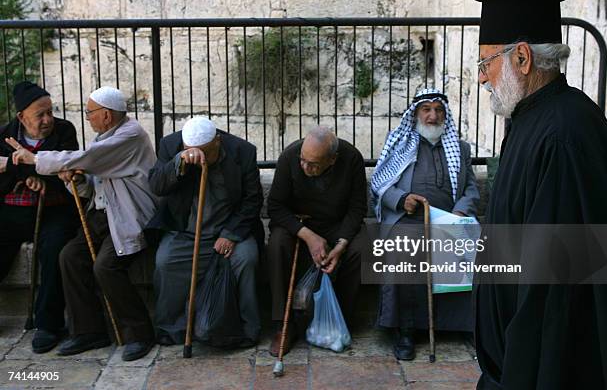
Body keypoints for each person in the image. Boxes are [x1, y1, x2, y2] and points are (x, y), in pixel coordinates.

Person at [473, 0, 607, 389]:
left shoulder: (563, 135)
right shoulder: (531, 119)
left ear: (522, 57)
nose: (482, 76)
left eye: (486, 62)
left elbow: (554, 294)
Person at [10, 86, 160, 361]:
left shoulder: (130, 135)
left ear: (106, 114)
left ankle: (139, 334)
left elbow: (88, 159)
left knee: (106, 266)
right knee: (69, 256)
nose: (87, 118)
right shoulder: (105, 136)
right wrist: (76, 181)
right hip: (103, 214)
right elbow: (92, 185)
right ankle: (88, 331)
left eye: (90, 113)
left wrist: (36, 159)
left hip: (130, 215)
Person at [370, 88, 480, 360]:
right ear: (416, 114)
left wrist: (458, 213)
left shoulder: (460, 148)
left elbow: (470, 189)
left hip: (451, 218)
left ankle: (463, 324)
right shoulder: (400, 144)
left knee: (475, 250)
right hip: (409, 219)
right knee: (406, 250)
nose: (433, 116)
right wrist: (401, 199)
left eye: (438, 110)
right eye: (426, 110)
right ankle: (406, 329)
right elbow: (380, 184)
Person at [147, 116, 263, 347]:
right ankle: (172, 328)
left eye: (206, 153)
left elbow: (252, 200)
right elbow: (156, 186)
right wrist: (178, 162)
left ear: (218, 141)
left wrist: (230, 234)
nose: (200, 160)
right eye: (192, 152)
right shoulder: (171, 146)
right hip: (185, 232)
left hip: (229, 231)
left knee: (246, 259)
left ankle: (245, 329)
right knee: (165, 261)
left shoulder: (242, 151)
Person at [266, 126, 370, 356]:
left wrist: (341, 245)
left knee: (360, 248)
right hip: (299, 225)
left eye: (313, 164)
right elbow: (275, 206)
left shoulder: (351, 159)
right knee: (277, 244)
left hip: (336, 224)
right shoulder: (290, 157)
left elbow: (357, 208)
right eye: (303, 160)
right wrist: (308, 235)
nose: (305, 167)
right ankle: (283, 324)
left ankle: (338, 319)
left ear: (332, 160)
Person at [0, 81, 79, 353]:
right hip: (12, 209)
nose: (48, 120)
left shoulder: (65, 131)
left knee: (54, 250)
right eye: (40, 115)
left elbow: (68, 170)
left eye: (50, 112)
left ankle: (49, 323)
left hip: (54, 209)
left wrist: (24, 167)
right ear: (22, 117)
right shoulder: (4, 135)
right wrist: (24, 171)